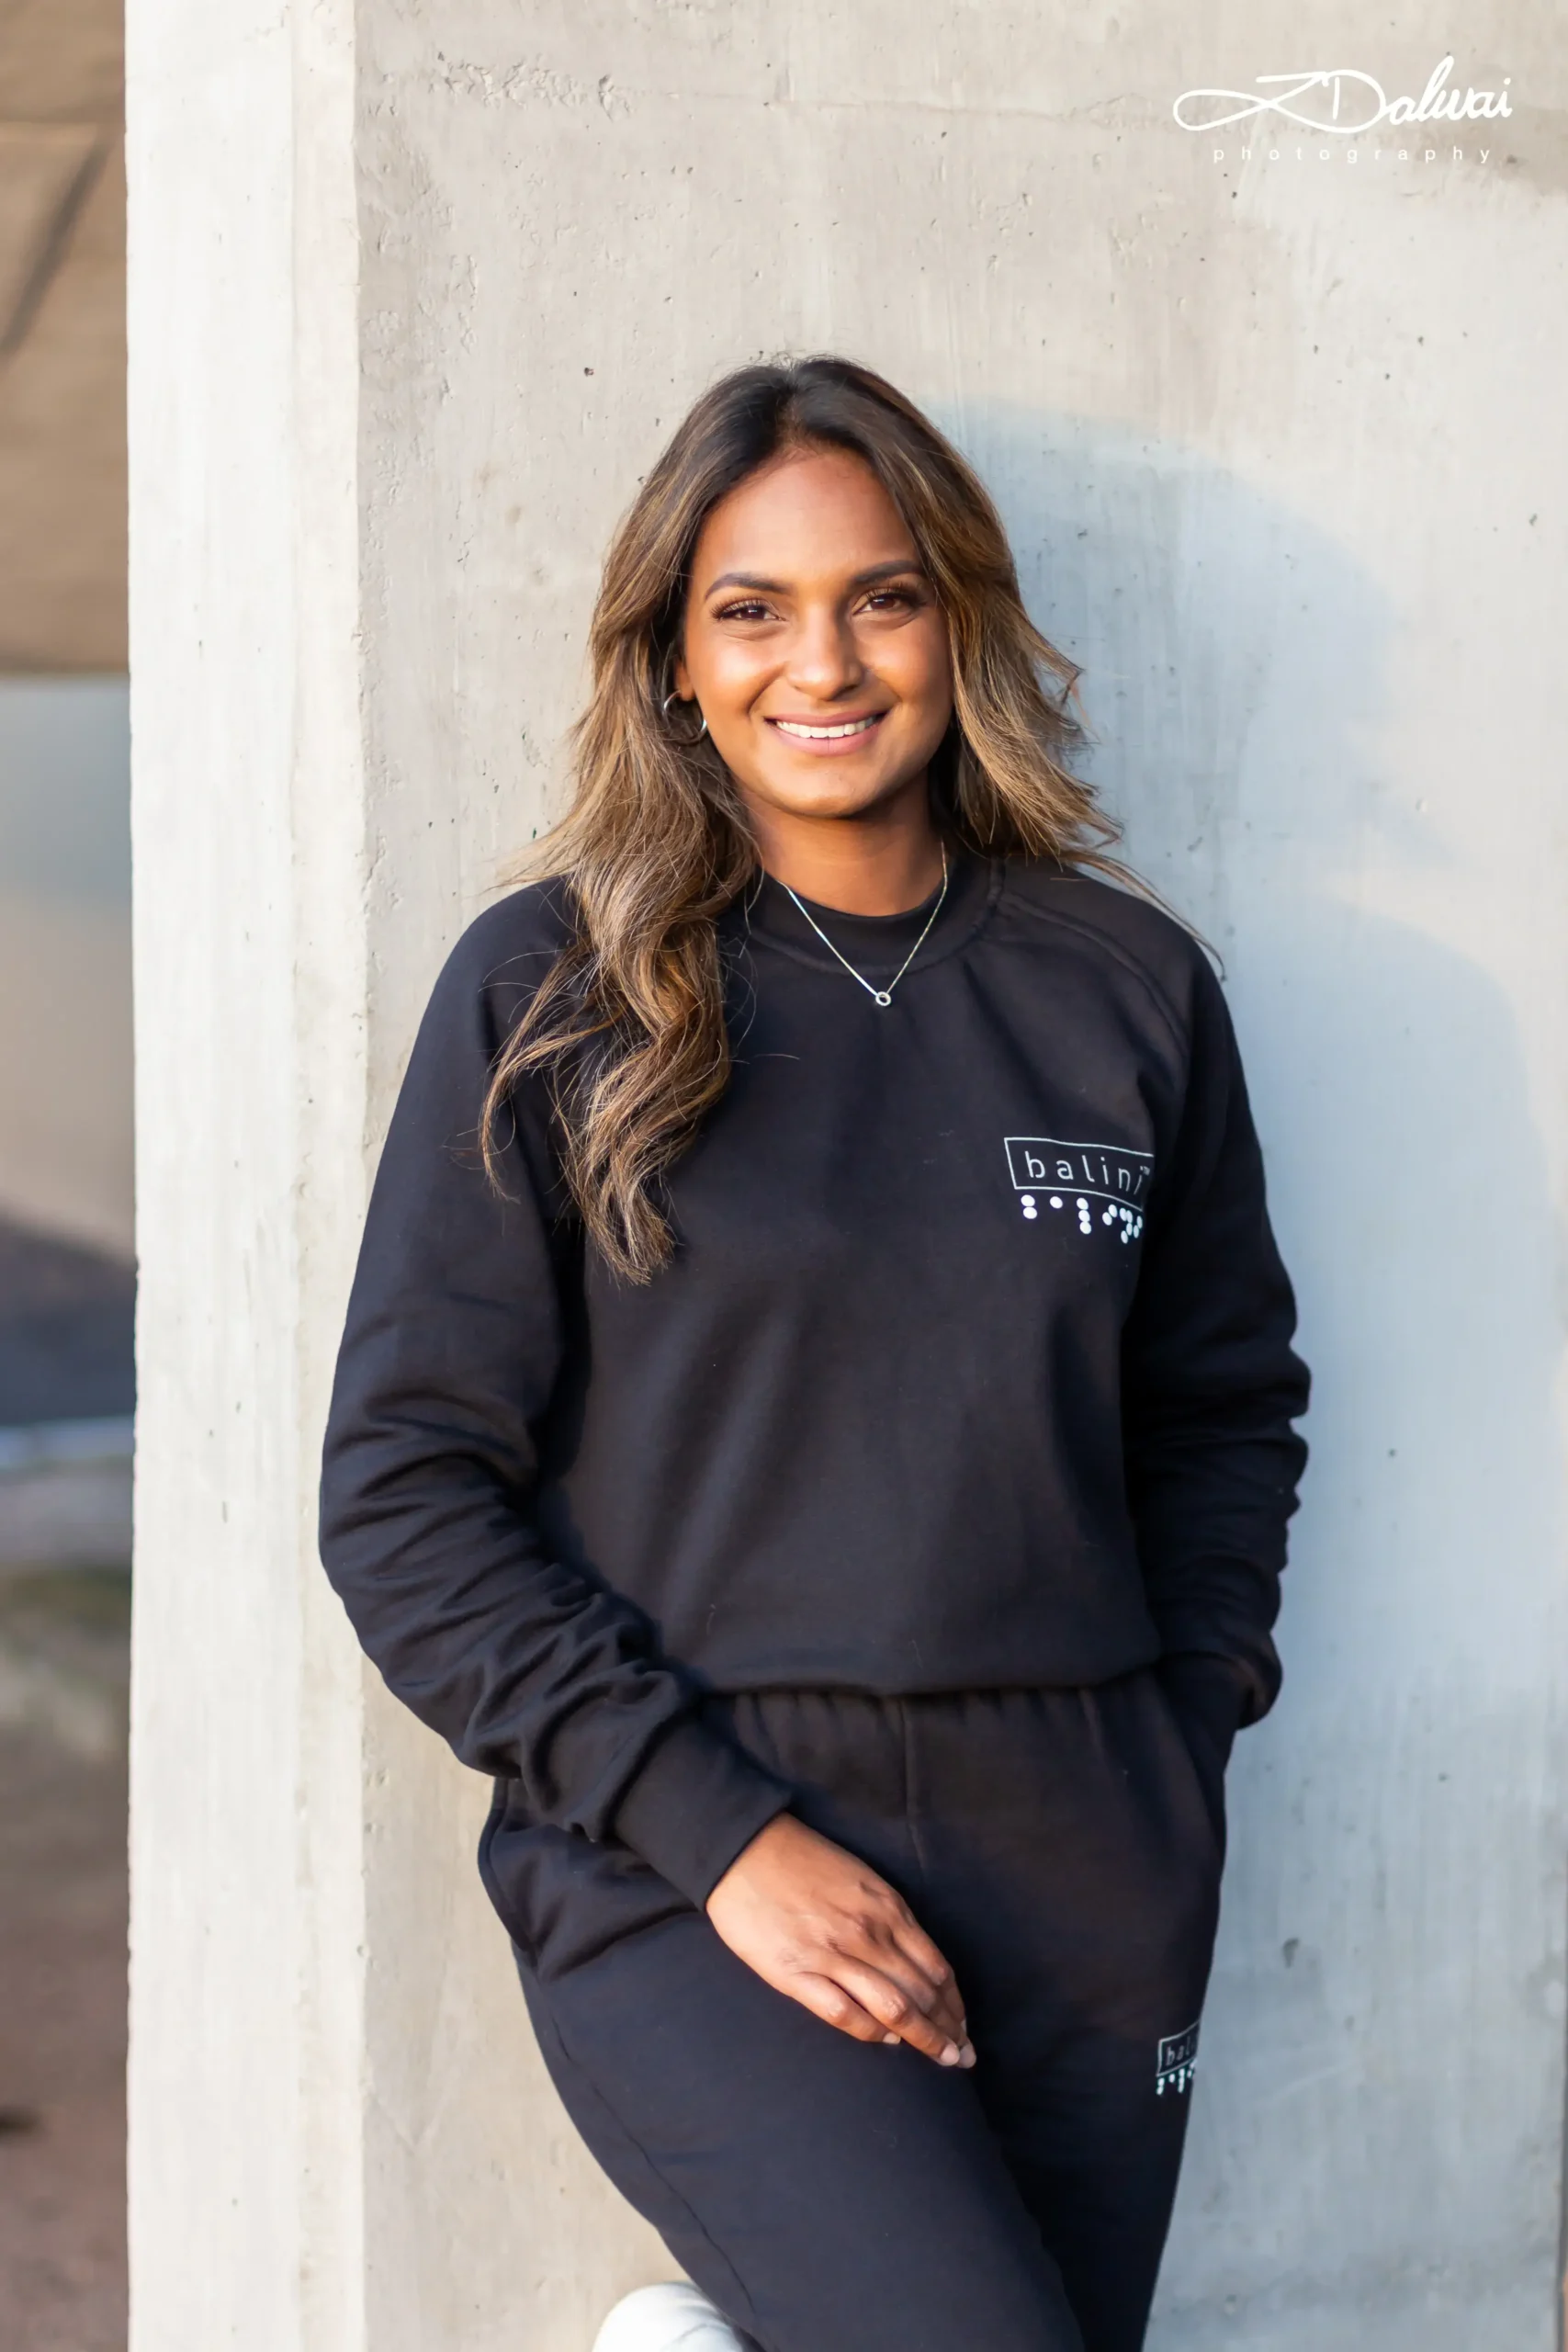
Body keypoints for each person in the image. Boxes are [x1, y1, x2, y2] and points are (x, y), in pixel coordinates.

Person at [318, 355, 1310, 2352]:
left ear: (960, 621)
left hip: (1091, 1840)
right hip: (701, 1843)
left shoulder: (1122, 985)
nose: (821, 660)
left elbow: (1223, 1406)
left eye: (880, 594)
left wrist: (1176, 1731)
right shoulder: (552, 990)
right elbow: (403, 1488)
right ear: (675, 661)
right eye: (749, 607)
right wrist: (720, 1831)